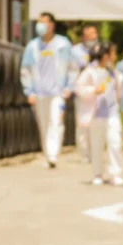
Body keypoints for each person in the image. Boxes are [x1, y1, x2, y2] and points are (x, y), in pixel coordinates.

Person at [21, 12, 77, 168]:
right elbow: (25, 70)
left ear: (52, 25)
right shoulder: (32, 47)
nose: (41, 25)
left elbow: (72, 67)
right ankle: (48, 155)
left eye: (44, 22)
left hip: (57, 93)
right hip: (39, 93)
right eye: (39, 22)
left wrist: (69, 87)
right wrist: (29, 91)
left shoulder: (62, 44)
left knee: (56, 122)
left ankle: (53, 154)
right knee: (43, 124)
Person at [76, 42, 123, 186]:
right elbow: (79, 88)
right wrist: (93, 91)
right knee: (96, 144)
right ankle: (98, 173)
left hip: (112, 113)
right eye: (112, 53)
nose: (115, 56)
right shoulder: (90, 71)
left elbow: (117, 90)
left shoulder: (113, 72)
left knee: (115, 142)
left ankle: (115, 173)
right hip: (96, 114)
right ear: (105, 55)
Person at [72, 23, 100, 164]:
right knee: (83, 123)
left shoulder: (100, 49)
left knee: (96, 123)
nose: (92, 38)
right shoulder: (75, 51)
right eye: (89, 35)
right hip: (82, 91)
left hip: (98, 92)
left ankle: (96, 152)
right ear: (83, 37)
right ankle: (84, 154)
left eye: (94, 35)